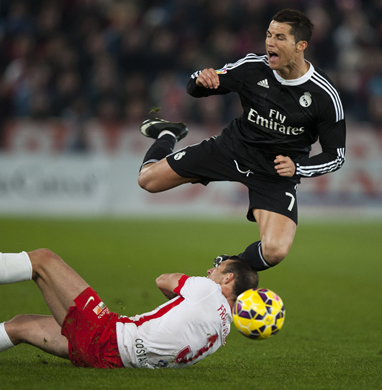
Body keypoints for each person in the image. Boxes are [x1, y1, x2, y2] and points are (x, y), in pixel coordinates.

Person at [138, 9, 346, 272]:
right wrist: (200, 79)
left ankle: (228, 266)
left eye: (280, 37)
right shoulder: (252, 67)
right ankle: (169, 133)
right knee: (147, 180)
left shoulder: (324, 95)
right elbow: (196, 87)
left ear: (300, 45)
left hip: (274, 173)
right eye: (269, 35)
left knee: (275, 250)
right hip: (230, 150)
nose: (270, 42)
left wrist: (298, 168)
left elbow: (336, 155)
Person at [0, 222, 259, 369]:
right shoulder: (222, 334)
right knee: (22, 326)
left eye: (218, 267)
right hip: (108, 360)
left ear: (229, 280)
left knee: (43, 260)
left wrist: (199, 281)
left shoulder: (209, 290)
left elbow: (163, 280)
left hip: (107, 335)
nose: (211, 270)